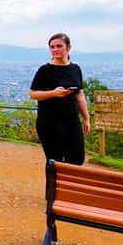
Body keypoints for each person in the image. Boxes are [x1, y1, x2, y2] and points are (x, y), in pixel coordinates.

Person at [29, 33, 91, 165]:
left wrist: (86, 118)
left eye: (59, 46)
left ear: (68, 47)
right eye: (52, 47)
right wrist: (53, 93)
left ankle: (70, 186)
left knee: (77, 159)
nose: (55, 49)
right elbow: (33, 94)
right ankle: (53, 186)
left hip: (72, 121)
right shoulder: (45, 70)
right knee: (54, 161)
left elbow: (80, 95)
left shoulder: (75, 69)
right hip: (49, 122)